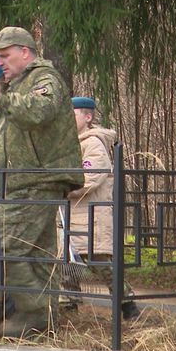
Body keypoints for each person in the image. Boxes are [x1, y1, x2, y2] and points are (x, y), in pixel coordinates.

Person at [0, 27, 84, 336]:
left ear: (25, 52)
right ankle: (43, 320)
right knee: (36, 253)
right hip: (22, 182)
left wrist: (0, 99)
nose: (0, 63)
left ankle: (33, 314)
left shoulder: (44, 80)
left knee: (5, 245)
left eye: (5, 55)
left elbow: (39, 111)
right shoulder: (19, 85)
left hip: (37, 180)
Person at [68, 96, 140, 320]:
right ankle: (68, 307)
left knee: (99, 262)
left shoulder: (93, 145)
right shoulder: (70, 144)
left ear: (87, 117)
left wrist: (61, 188)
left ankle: (126, 302)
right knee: (66, 263)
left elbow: (90, 178)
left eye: (74, 114)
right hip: (70, 214)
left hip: (90, 215)